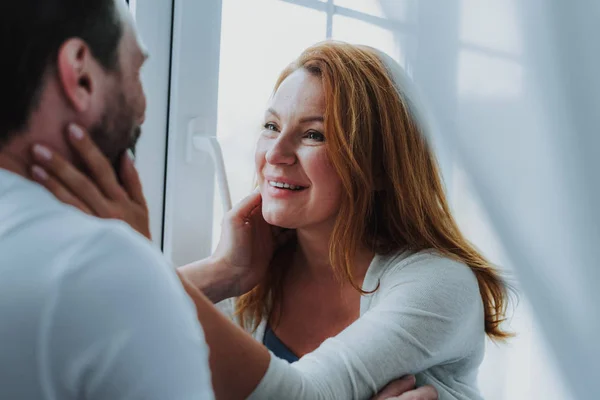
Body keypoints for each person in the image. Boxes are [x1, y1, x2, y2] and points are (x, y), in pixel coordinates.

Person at [0, 0, 435, 399]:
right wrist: (167, 264)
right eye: (270, 126)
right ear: (80, 74)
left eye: (314, 134)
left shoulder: (429, 282)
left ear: (378, 165)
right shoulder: (116, 267)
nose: (276, 155)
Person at [0, 0, 216, 398]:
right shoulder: (105, 268)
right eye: (135, 71)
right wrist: (142, 261)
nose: (145, 111)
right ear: (80, 75)